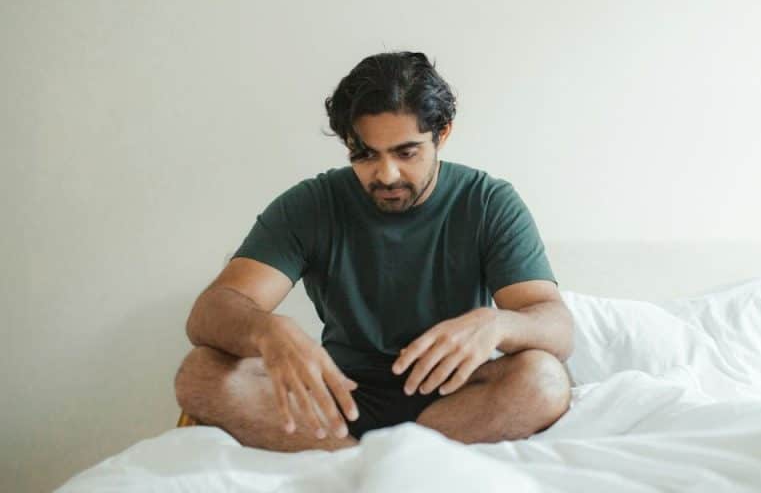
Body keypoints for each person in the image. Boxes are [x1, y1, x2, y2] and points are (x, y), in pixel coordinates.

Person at [173, 51, 574, 452]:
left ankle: (393, 457)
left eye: (406, 152)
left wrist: (498, 324)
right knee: (200, 372)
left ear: (442, 134)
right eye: (365, 154)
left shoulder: (488, 202)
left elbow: (556, 325)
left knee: (545, 378)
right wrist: (267, 331)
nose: (386, 174)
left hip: (455, 401)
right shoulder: (312, 204)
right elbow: (209, 312)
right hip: (338, 398)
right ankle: (357, 461)